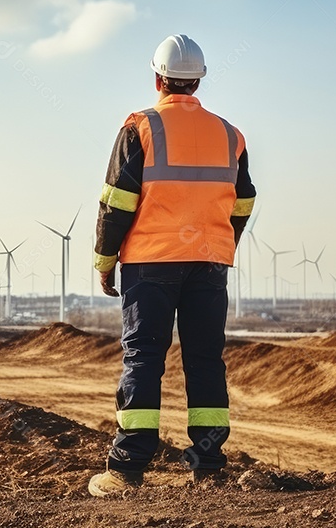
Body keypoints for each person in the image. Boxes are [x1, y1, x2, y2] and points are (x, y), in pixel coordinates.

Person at [87, 34, 256, 497]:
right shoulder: (229, 134)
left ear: (157, 77)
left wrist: (105, 261)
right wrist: (221, 243)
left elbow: (117, 202)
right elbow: (243, 202)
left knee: (144, 359)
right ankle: (207, 466)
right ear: (198, 82)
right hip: (209, 264)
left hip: (150, 263)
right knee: (205, 360)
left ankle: (126, 469)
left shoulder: (140, 126)